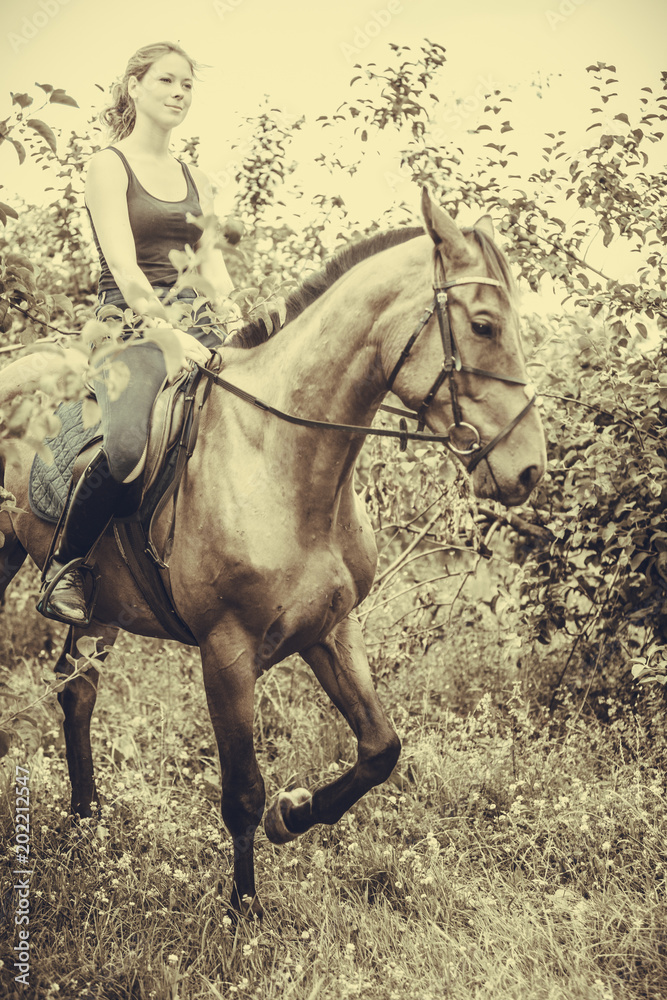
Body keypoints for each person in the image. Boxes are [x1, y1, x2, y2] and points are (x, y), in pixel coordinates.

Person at [39, 41, 235, 626]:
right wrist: (172, 335)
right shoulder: (109, 165)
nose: (180, 94)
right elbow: (124, 268)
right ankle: (65, 568)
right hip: (128, 328)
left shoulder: (198, 176)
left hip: (199, 325)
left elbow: (213, 264)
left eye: (188, 86)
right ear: (134, 86)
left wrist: (235, 321)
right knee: (126, 447)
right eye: (168, 82)